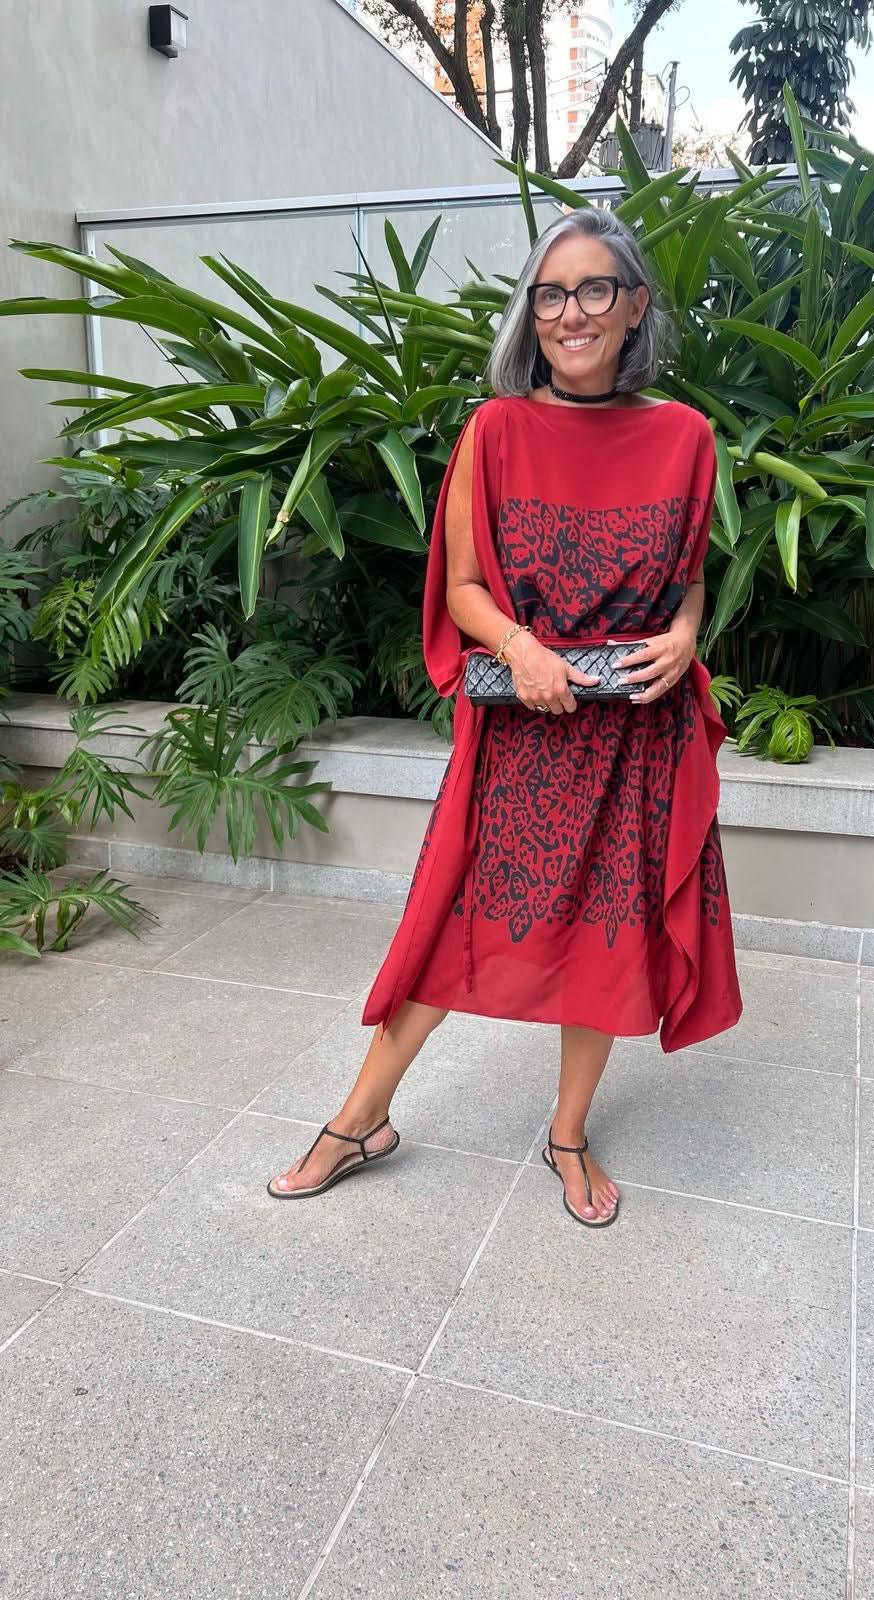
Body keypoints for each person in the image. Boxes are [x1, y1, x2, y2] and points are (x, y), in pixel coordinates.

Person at [268, 206, 743, 1227]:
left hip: (635, 732)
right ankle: (360, 1118)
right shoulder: (496, 430)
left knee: (609, 940)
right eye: (551, 294)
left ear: (634, 307)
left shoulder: (685, 436)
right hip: (525, 733)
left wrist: (686, 632)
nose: (572, 313)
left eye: (594, 289)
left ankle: (567, 1134)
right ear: (533, 312)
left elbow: (689, 575)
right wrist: (523, 650)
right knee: (454, 927)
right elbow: (463, 589)